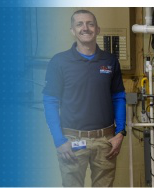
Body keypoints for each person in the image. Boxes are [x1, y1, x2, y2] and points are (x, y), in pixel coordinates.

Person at [42, 9, 126, 187]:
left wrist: (120, 133)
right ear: (72, 30)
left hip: (105, 141)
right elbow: (50, 102)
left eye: (90, 23)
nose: (85, 28)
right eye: (79, 24)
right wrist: (59, 140)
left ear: (97, 29)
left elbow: (118, 97)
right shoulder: (59, 62)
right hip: (71, 142)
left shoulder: (110, 61)